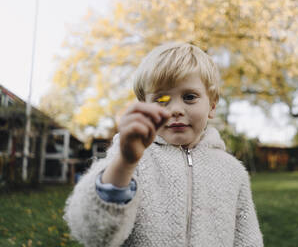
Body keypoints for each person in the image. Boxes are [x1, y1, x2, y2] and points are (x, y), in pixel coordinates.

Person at [64, 42, 263, 247]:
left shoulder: (232, 171)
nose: (175, 109)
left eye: (189, 97)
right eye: (162, 99)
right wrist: (125, 163)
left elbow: (248, 239)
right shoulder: (130, 156)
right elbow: (92, 232)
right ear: (144, 105)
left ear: (212, 105)